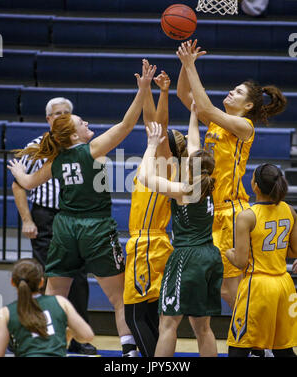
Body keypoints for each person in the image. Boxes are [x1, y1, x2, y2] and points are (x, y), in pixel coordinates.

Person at [7, 60, 157, 357]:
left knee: (54, 295)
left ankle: (40, 346)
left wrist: (16, 171)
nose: (86, 123)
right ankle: (128, 351)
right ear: (74, 135)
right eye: (81, 122)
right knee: (118, 297)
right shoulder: (92, 149)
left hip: (64, 228)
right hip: (95, 227)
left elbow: (27, 181)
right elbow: (127, 124)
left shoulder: (56, 160)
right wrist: (142, 90)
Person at [176, 39, 287, 310]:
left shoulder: (243, 126)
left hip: (230, 212)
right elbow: (183, 94)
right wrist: (184, 64)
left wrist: (192, 66)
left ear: (248, 106)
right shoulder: (217, 121)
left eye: (237, 92)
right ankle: (254, 335)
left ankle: (258, 339)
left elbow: (204, 108)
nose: (230, 92)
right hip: (210, 208)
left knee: (231, 287)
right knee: (220, 286)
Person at [12, 97, 96, 355]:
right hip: (46, 218)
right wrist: (27, 220)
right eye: (57, 113)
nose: (61, 116)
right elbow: (19, 184)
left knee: (79, 278)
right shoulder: (37, 146)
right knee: (43, 278)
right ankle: (39, 334)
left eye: (66, 113)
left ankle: (79, 339)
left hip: (74, 217)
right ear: (48, 119)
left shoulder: (81, 146)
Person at [138, 104, 223, 357]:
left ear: (188, 167)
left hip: (187, 258)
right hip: (210, 255)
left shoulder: (183, 190)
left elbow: (144, 177)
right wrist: (194, 115)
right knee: (203, 328)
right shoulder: (207, 182)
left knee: (168, 324)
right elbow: (196, 148)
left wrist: (152, 146)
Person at [124, 64, 176, 357]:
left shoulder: (167, 166)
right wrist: (149, 90)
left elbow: (160, 126)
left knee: (135, 315)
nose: (157, 138)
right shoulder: (160, 163)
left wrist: (163, 94)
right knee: (147, 316)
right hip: (150, 245)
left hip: (147, 244)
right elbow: (153, 124)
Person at [225, 163, 297, 357]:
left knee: (238, 346)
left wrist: (226, 252)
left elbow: (240, 262)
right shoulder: (289, 210)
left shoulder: (247, 216)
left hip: (258, 287)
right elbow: (293, 251)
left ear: (255, 185)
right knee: (284, 350)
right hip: (284, 285)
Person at [0, 258, 94, 357]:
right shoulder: (61, 302)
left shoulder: (5, 313)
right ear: (41, 282)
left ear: (12, 282)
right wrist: (70, 332)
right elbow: (87, 336)